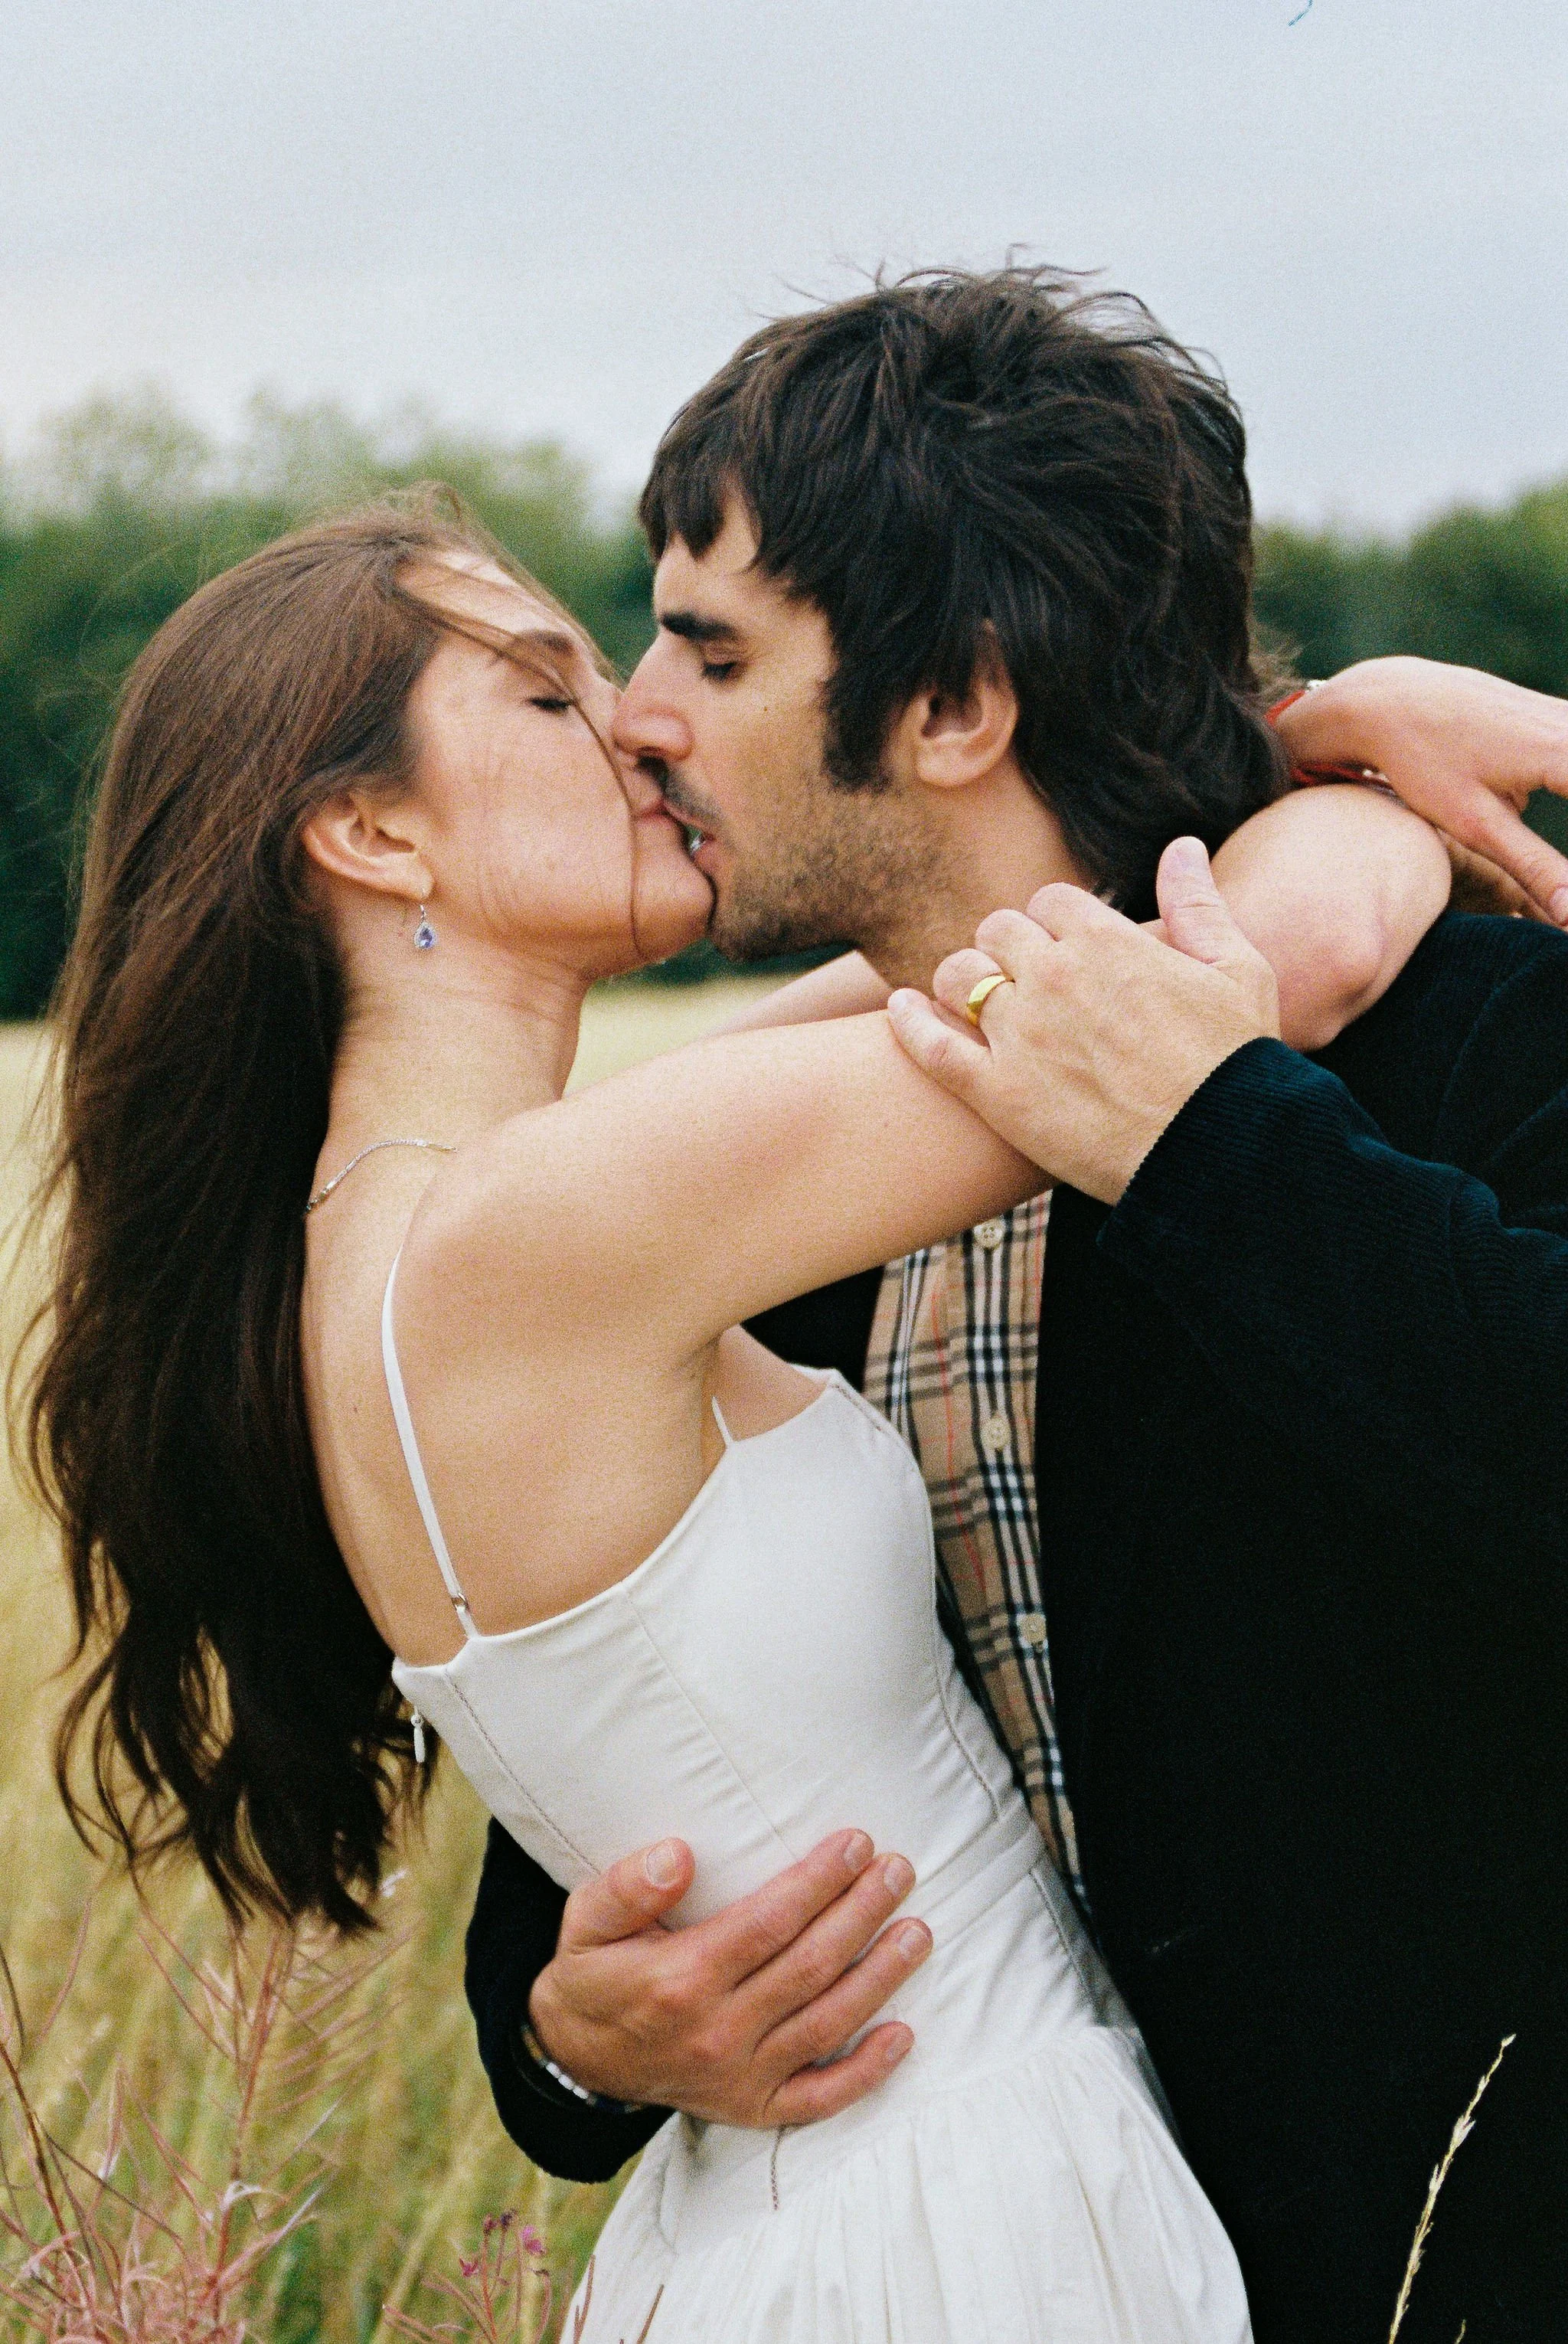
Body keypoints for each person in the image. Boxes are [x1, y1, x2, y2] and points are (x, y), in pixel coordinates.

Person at [28, 450, 1472, 2337]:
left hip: (813, 2214)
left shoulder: (430, 1227)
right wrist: (1384, 755)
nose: (633, 724)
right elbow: (1282, 962)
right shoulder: (545, 1228)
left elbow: (908, 1000)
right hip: (963, 2211)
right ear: (374, 838)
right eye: (544, 695)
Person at [460, 273, 1568, 2344]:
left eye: (710, 646)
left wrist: (1213, 1140)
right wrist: (572, 2033)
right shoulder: (758, 1206)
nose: (637, 710)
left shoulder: (1472, 1030)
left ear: (955, 701)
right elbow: (611, 1799)